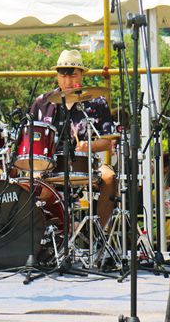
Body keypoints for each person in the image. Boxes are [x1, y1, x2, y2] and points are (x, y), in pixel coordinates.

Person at [30, 49, 117, 228]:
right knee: (31, 180)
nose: (68, 81)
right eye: (63, 76)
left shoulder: (96, 103)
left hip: (85, 163)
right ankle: (47, 234)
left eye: (73, 75)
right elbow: (29, 137)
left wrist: (89, 146)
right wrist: (36, 165)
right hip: (49, 164)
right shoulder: (42, 102)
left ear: (82, 75)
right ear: (57, 76)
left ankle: (97, 231)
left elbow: (108, 141)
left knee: (109, 177)